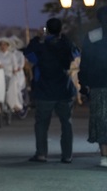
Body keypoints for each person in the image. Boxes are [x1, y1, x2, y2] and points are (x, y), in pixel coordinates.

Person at [23, 17, 79, 163]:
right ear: (61, 29)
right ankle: (67, 155)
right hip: (64, 89)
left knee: (41, 123)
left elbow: (28, 54)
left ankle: (41, 154)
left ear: (47, 29)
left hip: (44, 89)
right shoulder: (67, 44)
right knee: (66, 123)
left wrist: (37, 38)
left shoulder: (40, 45)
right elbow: (76, 55)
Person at [78, 6, 107, 168]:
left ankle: (104, 156)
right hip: (99, 83)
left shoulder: (92, 36)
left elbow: (86, 62)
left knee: (101, 120)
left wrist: (84, 83)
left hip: (98, 85)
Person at [0, 37, 23, 113]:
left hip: (10, 75)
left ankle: (14, 104)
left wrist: (15, 70)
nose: (3, 46)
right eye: (1, 45)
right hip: (0, 75)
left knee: (13, 87)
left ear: (7, 46)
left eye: (5, 45)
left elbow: (15, 65)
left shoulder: (11, 55)